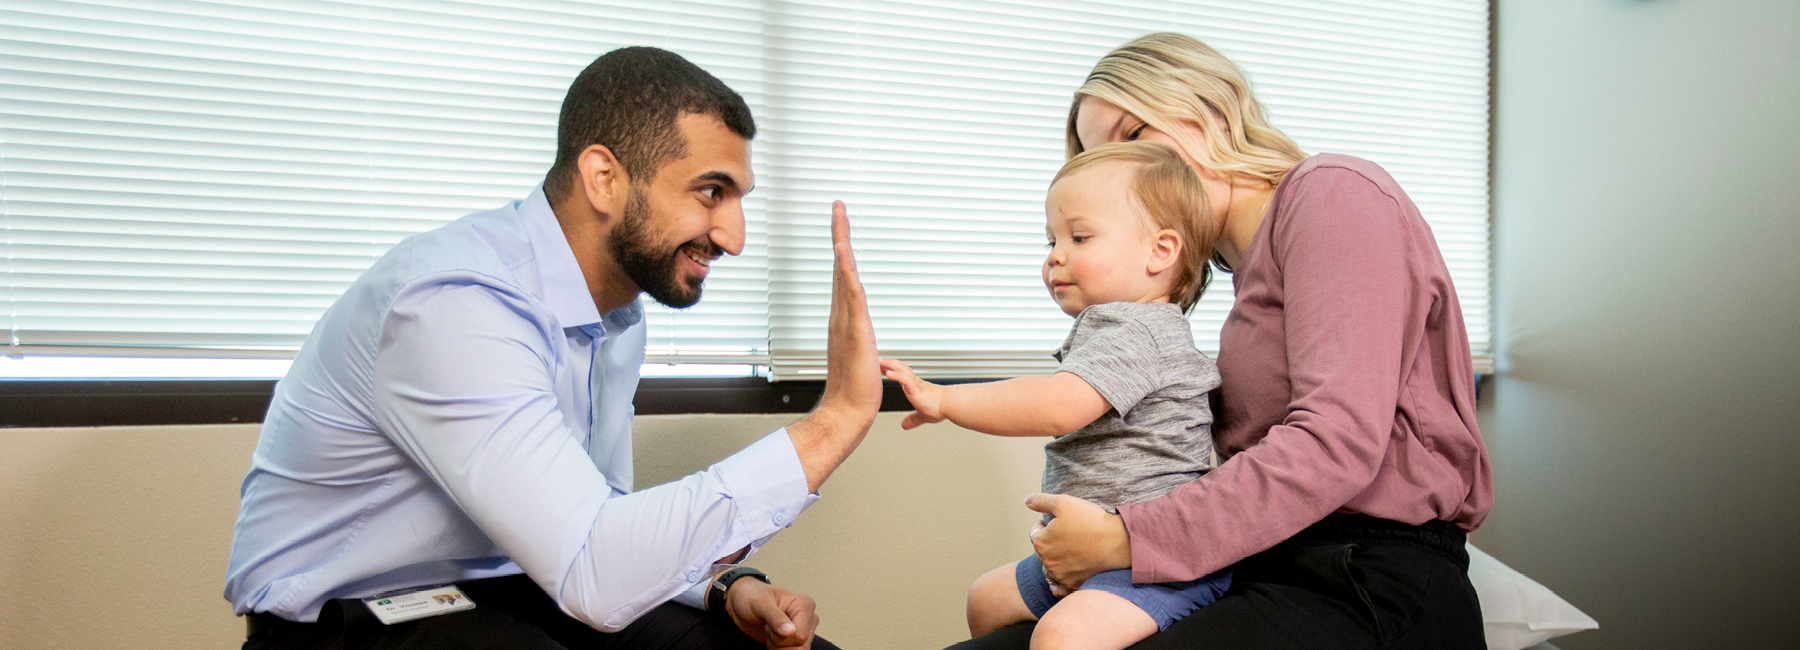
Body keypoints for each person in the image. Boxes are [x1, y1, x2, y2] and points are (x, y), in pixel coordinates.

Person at [225, 47, 884, 650]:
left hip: (525, 588)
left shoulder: (616, 314)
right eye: (711, 192)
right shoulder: (456, 303)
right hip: (350, 617)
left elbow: (592, 521)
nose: (734, 237)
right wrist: (835, 420)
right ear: (603, 178)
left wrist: (721, 587)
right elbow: (593, 568)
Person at [948, 32, 1494, 649]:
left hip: (1365, 576)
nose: (1129, 172)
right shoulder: (1233, 294)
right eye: (1104, 162)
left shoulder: (1333, 191)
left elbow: (1335, 442)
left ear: (1212, 107)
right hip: (1263, 562)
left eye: (1134, 134)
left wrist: (1127, 536)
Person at [880, 141, 1231, 650]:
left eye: (1080, 237)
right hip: (1096, 554)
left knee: (1062, 635)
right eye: (1050, 241)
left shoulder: (1143, 332)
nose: (1055, 256)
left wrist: (945, 401)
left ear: (1161, 250)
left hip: (1157, 565)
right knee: (987, 599)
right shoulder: (1111, 328)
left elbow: (1056, 404)